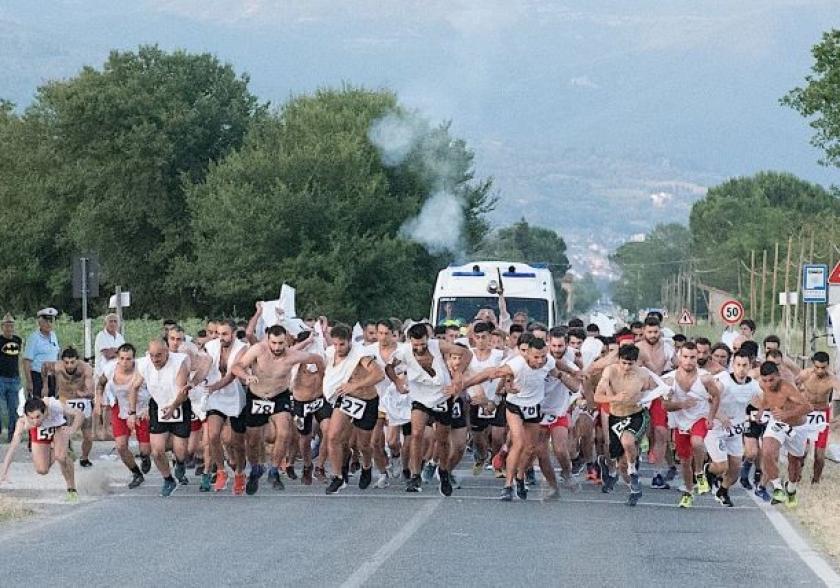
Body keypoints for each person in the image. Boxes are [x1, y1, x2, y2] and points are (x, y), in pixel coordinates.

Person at [232, 324, 323, 495]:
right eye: (273, 343)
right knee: (252, 441)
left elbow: (318, 359)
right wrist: (247, 376)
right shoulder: (258, 350)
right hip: (257, 396)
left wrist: (325, 380)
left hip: (279, 396)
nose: (277, 348)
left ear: (286, 340)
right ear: (268, 340)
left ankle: (274, 470)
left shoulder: (293, 355)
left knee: (285, 431)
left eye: (281, 343)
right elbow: (237, 366)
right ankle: (255, 468)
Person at [462, 337, 555, 502]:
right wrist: (465, 384)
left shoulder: (548, 362)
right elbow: (490, 373)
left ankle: (520, 477)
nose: (539, 361)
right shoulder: (517, 364)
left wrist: (574, 373)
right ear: (527, 354)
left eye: (542, 356)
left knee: (530, 448)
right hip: (515, 405)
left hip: (534, 405)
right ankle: (508, 485)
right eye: (536, 357)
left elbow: (557, 369)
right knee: (518, 442)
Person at [385, 323, 471, 496]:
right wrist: (398, 382)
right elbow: (388, 367)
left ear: (427, 339)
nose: (420, 348)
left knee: (443, 438)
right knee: (416, 434)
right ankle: (415, 474)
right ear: (410, 341)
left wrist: (458, 375)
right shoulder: (403, 352)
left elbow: (466, 353)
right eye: (416, 345)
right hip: (419, 396)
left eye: (423, 344)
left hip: (441, 395)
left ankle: (444, 471)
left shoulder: (438, 346)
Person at [593, 344, 657, 506]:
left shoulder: (643, 374)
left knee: (627, 441)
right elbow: (597, 397)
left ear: (636, 362)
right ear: (619, 360)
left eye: (631, 363)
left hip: (636, 414)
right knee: (620, 462)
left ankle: (633, 468)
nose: (627, 367)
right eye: (624, 363)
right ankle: (634, 487)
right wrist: (613, 398)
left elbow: (654, 390)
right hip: (616, 415)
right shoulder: (610, 372)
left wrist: (644, 396)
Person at [323, 325, 384, 494]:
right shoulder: (330, 353)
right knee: (333, 436)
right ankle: (337, 477)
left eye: (341, 345)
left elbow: (379, 374)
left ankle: (366, 465)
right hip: (346, 399)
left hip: (367, 400)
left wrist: (354, 385)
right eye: (335, 344)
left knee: (363, 444)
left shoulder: (361, 355)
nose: (338, 348)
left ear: (350, 341)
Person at [128, 340, 192, 497]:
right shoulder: (143, 364)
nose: (155, 359)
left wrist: (173, 407)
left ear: (167, 353)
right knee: (156, 451)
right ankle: (168, 479)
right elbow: (133, 387)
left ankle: (181, 462)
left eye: (159, 355)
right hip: (158, 405)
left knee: (181, 450)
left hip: (179, 405)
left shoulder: (179, 363)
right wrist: (132, 412)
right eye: (152, 355)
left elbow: (183, 392)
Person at [662, 342, 720, 508]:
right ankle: (688, 492)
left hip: (699, 418)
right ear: (679, 357)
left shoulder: (705, 378)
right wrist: (681, 404)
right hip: (681, 422)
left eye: (693, 357)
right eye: (685, 357)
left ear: (698, 358)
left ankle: (700, 473)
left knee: (697, 442)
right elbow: (665, 405)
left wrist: (711, 417)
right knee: (685, 461)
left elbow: (716, 397)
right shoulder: (669, 379)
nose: (689, 361)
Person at [0, 396, 83, 502]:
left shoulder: (53, 405)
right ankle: (62, 449)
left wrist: (73, 429)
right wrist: (4, 470)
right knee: (42, 470)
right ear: (26, 415)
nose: (35, 421)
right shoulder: (23, 423)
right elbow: (13, 447)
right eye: (31, 418)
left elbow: (79, 414)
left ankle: (72, 490)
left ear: (44, 412)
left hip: (58, 427)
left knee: (60, 457)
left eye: (38, 416)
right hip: (40, 432)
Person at [705, 349, 761, 506]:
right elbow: (710, 399)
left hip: (735, 430)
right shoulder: (723, 380)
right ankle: (707, 471)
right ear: (732, 365)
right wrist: (720, 415)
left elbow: (765, 400)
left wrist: (762, 412)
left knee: (735, 471)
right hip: (716, 427)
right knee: (722, 466)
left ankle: (723, 491)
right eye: (738, 365)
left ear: (750, 366)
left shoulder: (753, 385)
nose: (741, 369)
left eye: (745, 365)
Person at [756, 361, 814, 506]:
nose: (769, 384)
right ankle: (777, 488)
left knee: (795, 463)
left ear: (778, 376)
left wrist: (787, 414)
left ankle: (792, 489)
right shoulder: (763, 385)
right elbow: (766, 398)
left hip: (797, 427)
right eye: (765, 380)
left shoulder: (787, 388)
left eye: (772, 380)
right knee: (767, 451)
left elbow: (808, 407)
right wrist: (761, 411)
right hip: (778, 424)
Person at [95, 343, 151, 488]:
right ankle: (136, 473)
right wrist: (98, 401)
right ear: (117, 358)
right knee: (120, 446)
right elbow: (100, 384)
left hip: (141, 408)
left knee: (145, 448)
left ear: (134, 359)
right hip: (120, 407)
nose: (125, 362)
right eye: (122, 358)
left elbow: (154, 388)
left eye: (129, 359)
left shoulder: (142, 368)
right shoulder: (110, 368)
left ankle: (145, 457)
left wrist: (149, 408)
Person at [202, 320, 249, 494]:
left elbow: (232, 375)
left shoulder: (242, 348)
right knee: (213, 435)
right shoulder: (210, 346)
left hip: (235, 395)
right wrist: (194, 382)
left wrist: (215, 386)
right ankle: (221, 471)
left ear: (234, 334)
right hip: (215, 396)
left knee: (237, 442)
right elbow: (203, 366)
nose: (221, 337)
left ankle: (239, 473)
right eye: (219, 333)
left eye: (225, 334)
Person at [636, 316, 675, 490]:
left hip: (659, 396)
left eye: (655, 331)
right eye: (649, 332)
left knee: (661, 433)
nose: (652, 335)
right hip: (639, 396)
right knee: (638, 434)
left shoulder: (668, 348)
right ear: (644, 331)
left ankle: (657, 474)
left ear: (660, 331)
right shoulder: (636, 348)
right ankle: (632, 466)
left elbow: (679, 366)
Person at [289, 330, 330, 486]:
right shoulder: (295, 358)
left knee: (328, 430)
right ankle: (307, 465)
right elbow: (290, 352)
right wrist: (306, 342)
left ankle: (320, 466)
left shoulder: (319, 358)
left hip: (320, 398)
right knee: (305, 438)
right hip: (302, 401)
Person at [795, 352, 838, 484]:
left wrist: (837, 418)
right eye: (817, 367)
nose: (820, 370)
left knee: (819, 456)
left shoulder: (832, 379)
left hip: (822, 414)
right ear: (813, 364)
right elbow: (792, 387)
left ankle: (816, 480)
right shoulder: (805, 374)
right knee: (802, 451)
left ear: (828, 366)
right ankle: (797, 475)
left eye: (823, 368)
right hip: (806, 412)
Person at [54, 347, 95, 467]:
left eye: (72, 362)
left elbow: (91, 391)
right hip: (65, 400)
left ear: (78, 360)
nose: (69, 365)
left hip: (82, 402)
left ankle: (85, 457)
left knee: (88, 436)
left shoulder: (86, 369)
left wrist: (85, 393)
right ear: (62, 361)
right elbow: (44, 367)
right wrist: (46, 386)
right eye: (66, 362)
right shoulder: (57, 366)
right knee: (64, 432)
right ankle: (65, 452)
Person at [23, 307, 60, 398]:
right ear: (39, 322)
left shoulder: (54, 335)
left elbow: (57, 355)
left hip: (52, 376)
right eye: (46, 321)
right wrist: (29, 382)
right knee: (38, 406)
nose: (48, 324)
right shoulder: (34, 338)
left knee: (52, 405)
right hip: (38, 377)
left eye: (51, 321)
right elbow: (27, 361)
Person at [0, 313, 22, 442]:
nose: (9, 328)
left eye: (11, 326)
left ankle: (12, 433)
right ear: (2, 327)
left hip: (14, 378)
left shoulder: (18, 340)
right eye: (6, 326)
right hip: (1, 378)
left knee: (13, 408)